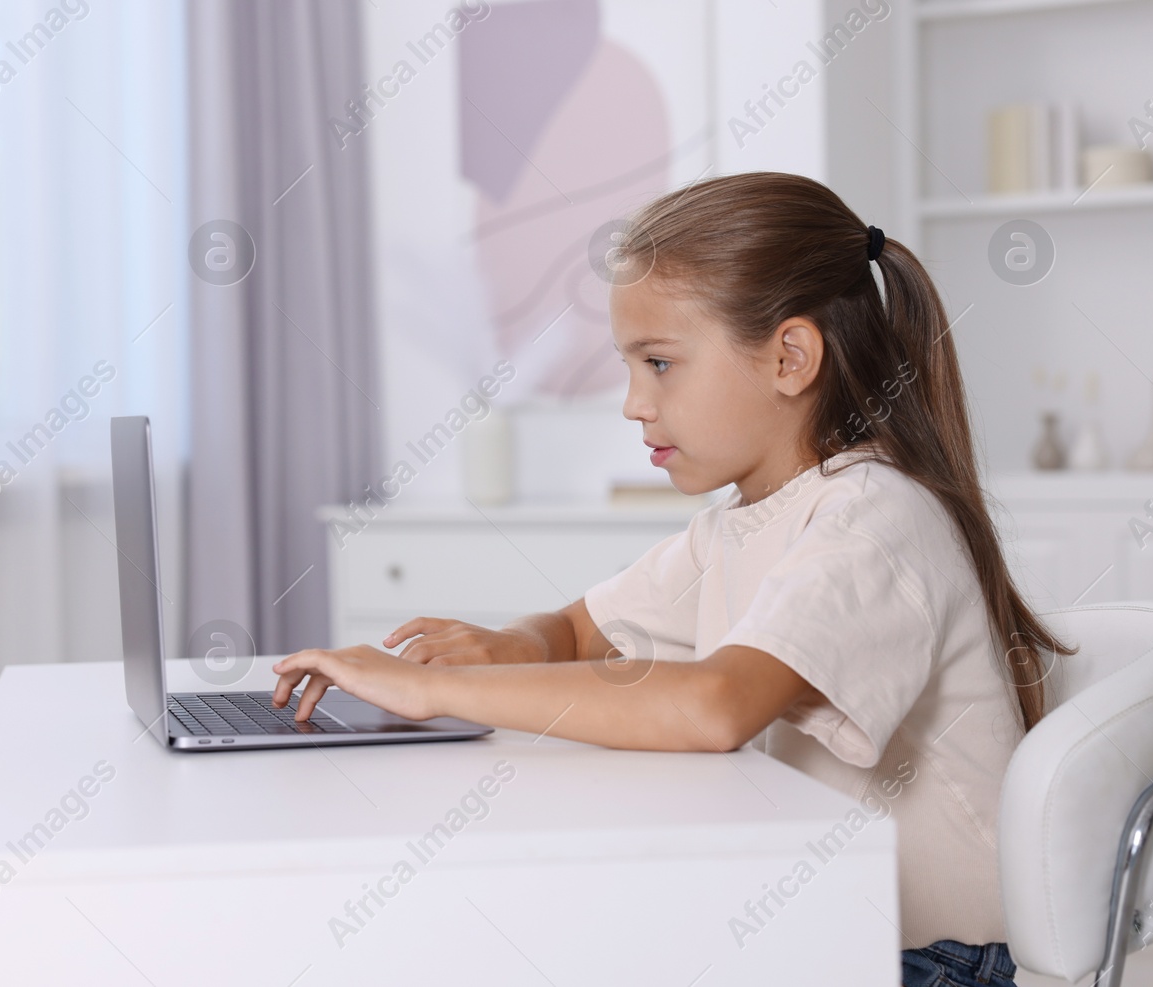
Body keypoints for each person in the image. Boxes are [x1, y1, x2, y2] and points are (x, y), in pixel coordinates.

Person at [272, 171, 1069, 987]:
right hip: (840, 928)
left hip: (938, 961)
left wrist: (433, 694)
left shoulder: (874, 517)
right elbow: (585, 628)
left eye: (659, 363)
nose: (633, 403)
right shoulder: (738, 523)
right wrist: (507, 643)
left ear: (790, 357)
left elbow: (716, 704)